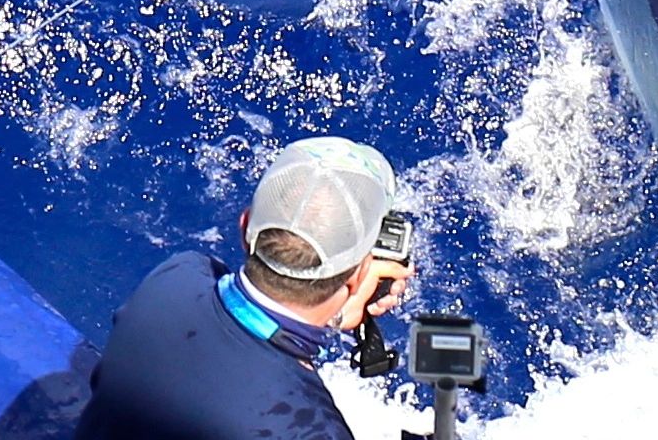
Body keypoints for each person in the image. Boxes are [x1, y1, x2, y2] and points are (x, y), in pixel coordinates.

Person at [74, 137, 413, 440]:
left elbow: (246, 319)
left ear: (246, 226)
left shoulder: (176, 275)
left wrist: (339, 312)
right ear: (358, 277)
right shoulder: (314, 429)